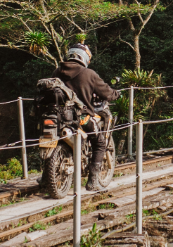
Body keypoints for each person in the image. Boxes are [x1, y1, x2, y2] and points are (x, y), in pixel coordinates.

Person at [46, 43, 119, 191]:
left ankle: (44, 179)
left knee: (50, 141)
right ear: (84, 57)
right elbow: (106, 92)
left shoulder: (57, 72)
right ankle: (93, 181)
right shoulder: (89, 74)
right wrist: (116, 94)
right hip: (80, 118)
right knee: (100, 142)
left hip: (57, 116)